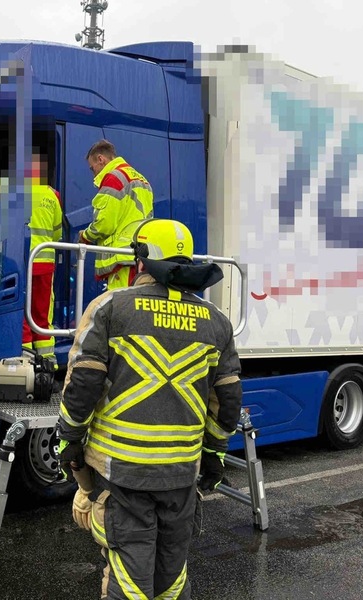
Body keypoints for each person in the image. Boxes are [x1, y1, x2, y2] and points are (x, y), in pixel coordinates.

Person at [57, 218, 243, 600]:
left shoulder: (109, 308)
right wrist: (213, 454)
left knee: (129, 581)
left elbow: (84, 383)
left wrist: (69, 440)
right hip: (181, 475)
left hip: (124, 476)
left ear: (139, 259)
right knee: (172, 579)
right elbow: (227, 403)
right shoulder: (217, 324)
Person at [78, 140, 154, 290]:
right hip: (139, 255)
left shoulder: (113, 178)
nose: (94, 174)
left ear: (101, 159)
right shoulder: (142, 179)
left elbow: (104, 224)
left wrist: (85, 236)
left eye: (92, 169)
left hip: (121, 258)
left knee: (120, 308)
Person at [22, 152, 63, 365]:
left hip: (20, 263)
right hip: (44, 263)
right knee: (42, 313)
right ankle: (47, 361)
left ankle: (24, 359)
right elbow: (57, 234)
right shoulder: (52, 195)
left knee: (21, 311)